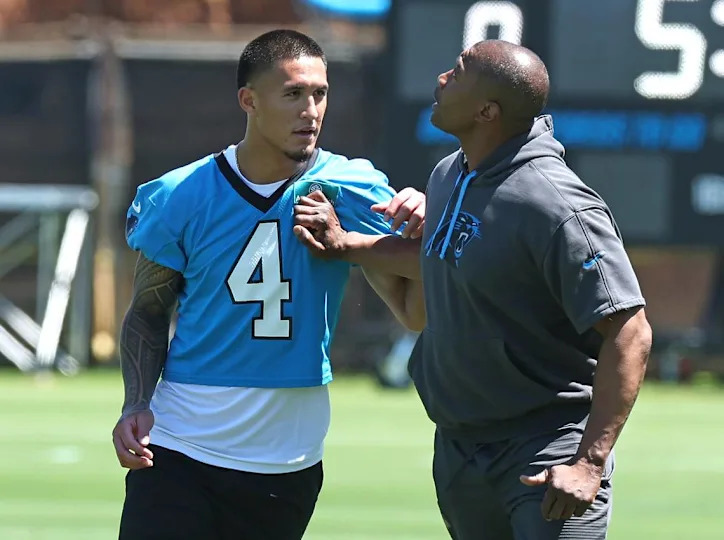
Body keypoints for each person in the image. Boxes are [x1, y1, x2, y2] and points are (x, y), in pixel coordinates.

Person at [294, 40, 652, 539]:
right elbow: (443, 260)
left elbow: (630, 331)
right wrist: (347, 244)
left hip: (545, 450)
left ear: (487, 110)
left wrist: (589, 462)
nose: (441, 78)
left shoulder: (555, 203)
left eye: (457, 73)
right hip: (461, 449)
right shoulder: (451, 173)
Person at [112, 29, 424, 540]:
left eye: (320, 93)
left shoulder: (351, 188)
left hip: (287, 457)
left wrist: (427, 230)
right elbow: (148, 311)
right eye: (293, 94)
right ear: (249, 101)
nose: (311, 110)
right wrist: (135, 403)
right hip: (180, 445)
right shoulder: (179, 195)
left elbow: (416, 312)